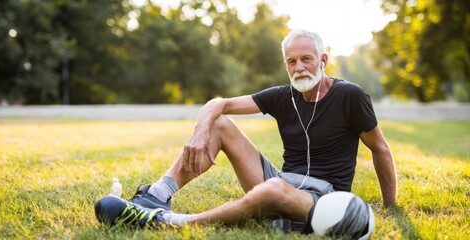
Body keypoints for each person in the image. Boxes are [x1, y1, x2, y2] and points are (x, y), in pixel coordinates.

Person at [95, 29, 397, 237]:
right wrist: (200, 133)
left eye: (306, 59)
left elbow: (380, 148)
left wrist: (389, 206)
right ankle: (157, 196)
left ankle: (170, 222)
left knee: (274, 190)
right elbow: (220, 104)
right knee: (220, 123)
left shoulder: (350, 96)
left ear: (323, 60)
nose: (299, 68)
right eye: (292, 61)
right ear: (285, 65)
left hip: (324, 195)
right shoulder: (282, 95)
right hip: (282, 179)